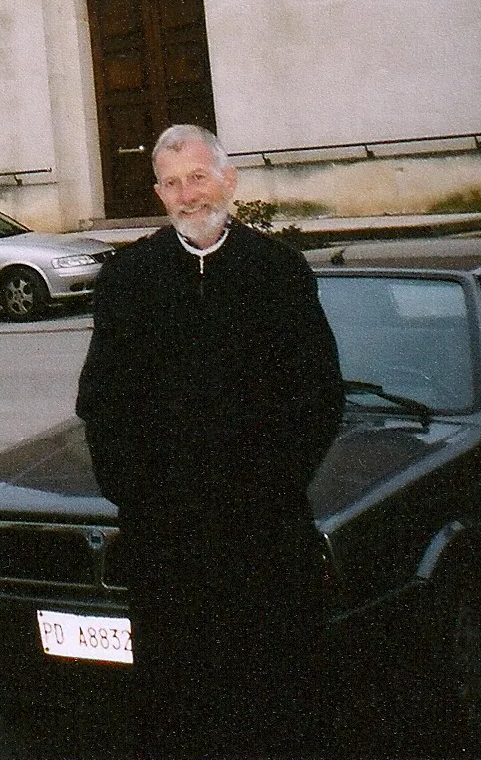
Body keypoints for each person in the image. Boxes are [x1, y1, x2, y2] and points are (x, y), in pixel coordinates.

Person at [76, 124, 344, 760]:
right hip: (166, 539)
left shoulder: (276, 269)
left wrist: (267, 486)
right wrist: (138, 501)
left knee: (272, 699)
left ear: (229, 180)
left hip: (263, 531)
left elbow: (316, 395)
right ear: (159, 195)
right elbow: (101, 403)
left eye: (198, 177)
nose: (187, 195)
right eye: (172, 184)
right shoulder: (130, 275)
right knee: (178, 705)